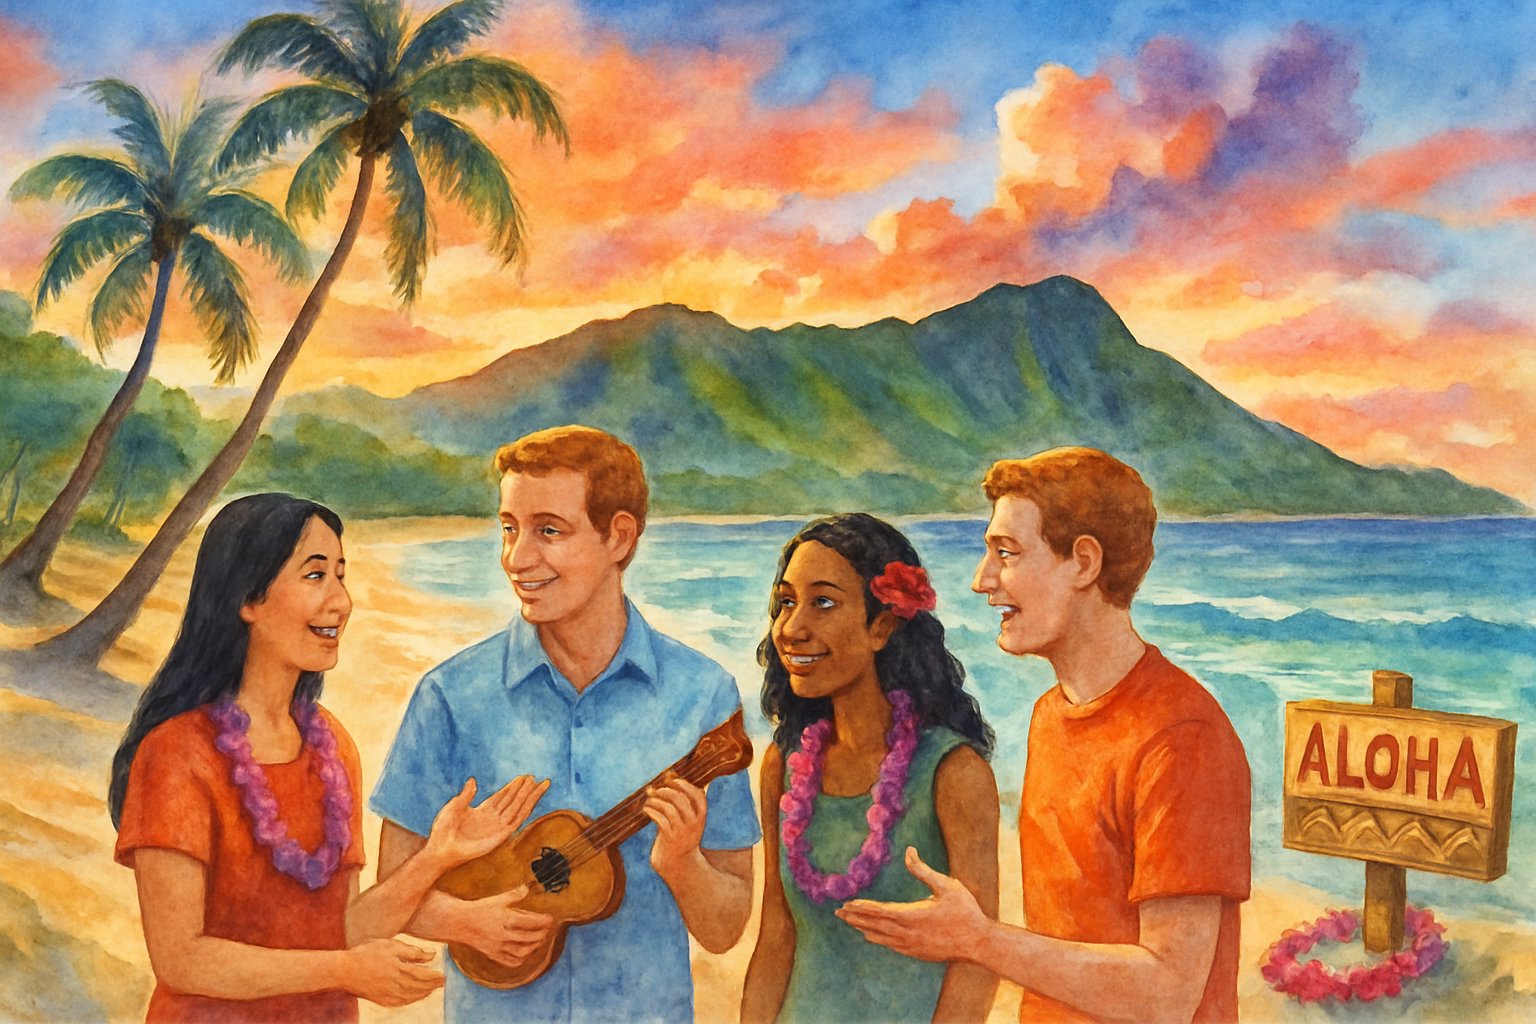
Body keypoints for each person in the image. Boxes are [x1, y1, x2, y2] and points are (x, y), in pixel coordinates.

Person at [838, 447, 1252, 1023]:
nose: (982, 580)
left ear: (1083, 563)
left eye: (1005, 553)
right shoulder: (1049, 714)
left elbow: (1168, 992)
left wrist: (979, 940)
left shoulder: (1183, 737)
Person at [370, 425, 761, 1023]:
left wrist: (682, 863)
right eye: (509, 528)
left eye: (548, 531)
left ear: (620, 537)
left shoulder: (703, 695)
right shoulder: (449, 695)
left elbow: (726, 929)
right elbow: (385, 897)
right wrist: (464, 921)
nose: (517, 558)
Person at [110, 492, 549, 1023]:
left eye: (341, 575)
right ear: (247, 598)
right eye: (315, 576)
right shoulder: (177, 754)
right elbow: (183, 960)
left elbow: (344, 927)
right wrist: (345, 972)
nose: (341, 601)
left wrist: (438, 856)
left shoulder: (331, 745)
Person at [741, 513, 1000, 1023]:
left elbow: (978, 963)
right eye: (786, 602)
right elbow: (777, 935)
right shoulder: (783, 764)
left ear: (881, 626)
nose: (791, 629)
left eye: (823, 602)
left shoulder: (953, 772)